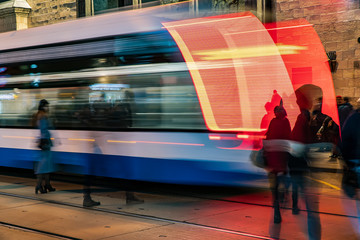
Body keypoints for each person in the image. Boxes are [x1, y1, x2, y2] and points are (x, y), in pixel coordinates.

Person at [289, 86, 321, 240]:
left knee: (298, 184)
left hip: (297, 160)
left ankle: (296, 205)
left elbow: (298, 139)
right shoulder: (304, 118)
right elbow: (304, 140)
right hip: (300, 161)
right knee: (303, 189)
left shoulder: (302, 118)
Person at [264, 105, 291, 224]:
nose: (276, 113)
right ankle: (283, 194)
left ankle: (276, 209)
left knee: (274, 181)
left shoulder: (273, 122)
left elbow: (268, 136)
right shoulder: (286, 122)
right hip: (281, 155)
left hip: (274, 155)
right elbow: (288, 137)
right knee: (283, 176)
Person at [34, 99, 57, 194]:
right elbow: (43, 130)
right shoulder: (42, 116)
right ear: (43, 106)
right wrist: (46, 142)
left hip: (46, 142)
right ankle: (39, 185)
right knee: (43, 166)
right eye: (46, 106)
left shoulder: (41, 116)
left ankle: (47, 185)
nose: (48, 107)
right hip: (45, 143)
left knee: (47, 165)